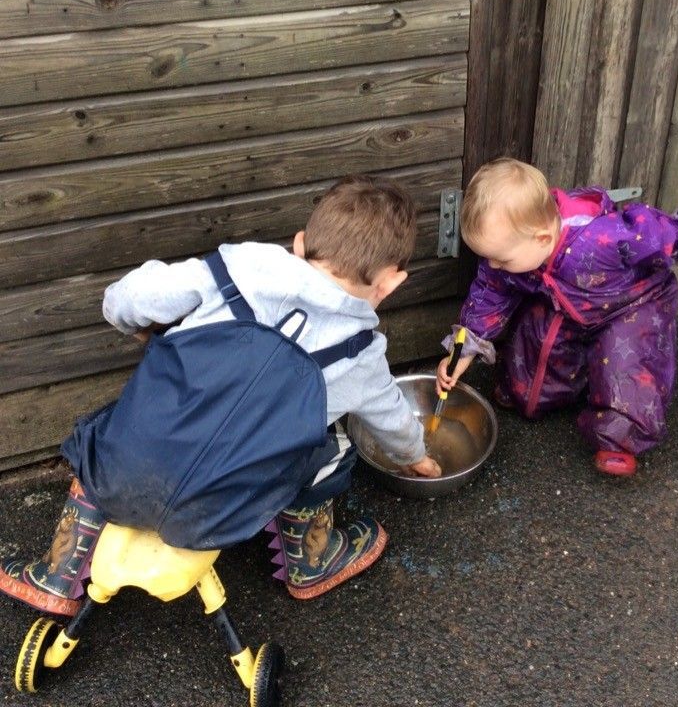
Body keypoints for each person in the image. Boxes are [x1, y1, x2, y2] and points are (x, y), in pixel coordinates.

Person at [0, 175, 440, 617]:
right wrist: (414, 456)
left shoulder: (234, 270)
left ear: (300, 242)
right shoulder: (362, 354)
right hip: (228, 513)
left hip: (120, 474)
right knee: (336, 449)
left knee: (118, 430)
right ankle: (311, 562)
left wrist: (133, 324)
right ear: (390, 283)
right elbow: (392, 419)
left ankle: (57, 573)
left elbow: (128, 298)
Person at [437, 158, 678, 477]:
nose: (491, 265)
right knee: (535, 346)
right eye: (487, 257)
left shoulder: (601, 238)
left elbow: (655, 233)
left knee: (627, 366)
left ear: (542, 239)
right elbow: (488, 295)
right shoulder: (511, 258)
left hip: (633, 303)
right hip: (569, 303)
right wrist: (462, 352)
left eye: (500, 259)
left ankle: (619, 439)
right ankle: (544, 389)